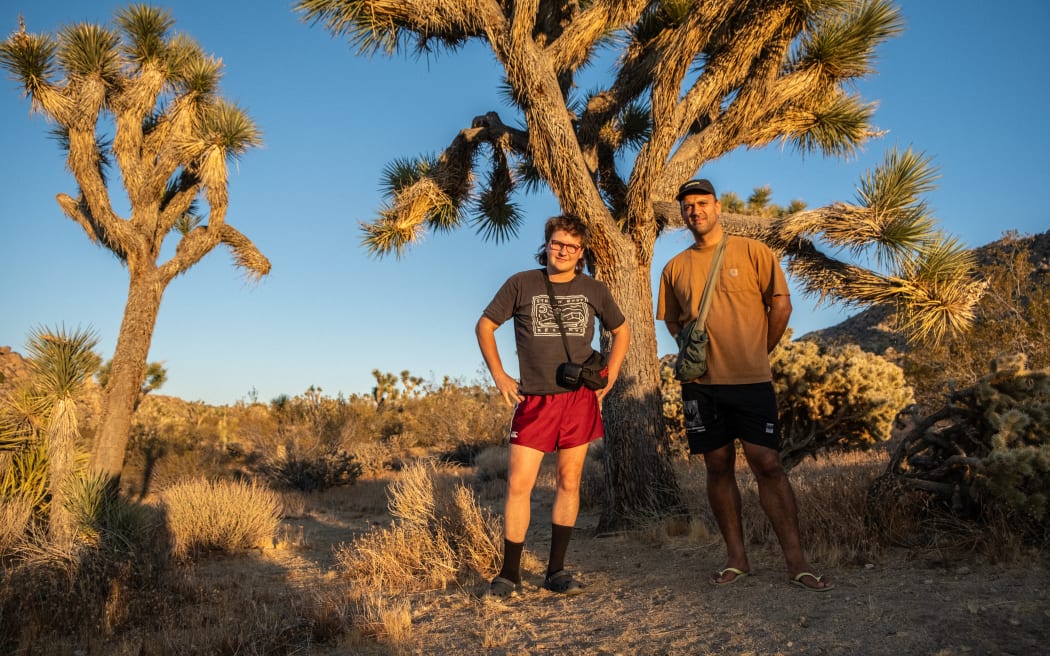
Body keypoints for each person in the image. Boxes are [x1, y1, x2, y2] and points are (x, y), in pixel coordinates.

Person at [656, 178, 833, 592]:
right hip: (700, 384)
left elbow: (781, 304)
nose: (695, 211)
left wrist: (760, 349)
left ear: (718, 207)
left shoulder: (753, 251)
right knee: (717, 466)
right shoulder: (675, 267)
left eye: (702, 203)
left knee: (767, 464)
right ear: (682, 213)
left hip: (751, 378)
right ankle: (737, 559)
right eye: (688, 206)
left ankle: (797, 562)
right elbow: (671, 320)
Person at [476, 214, 630, 598]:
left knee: (568, 482)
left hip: (578, 399)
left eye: (571, 247)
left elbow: (622, 330)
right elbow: (485, 325)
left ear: (581, 253)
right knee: (518, 485)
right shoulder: (521, 283)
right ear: (546, 244)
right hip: (534, 398)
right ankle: (509, 573)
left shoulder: (593, 288)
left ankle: (556, 571)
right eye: (557, 243)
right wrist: (500, 376)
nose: (562, 251)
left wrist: (609, 375)